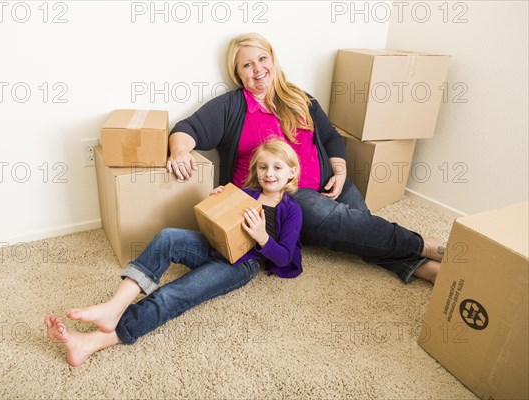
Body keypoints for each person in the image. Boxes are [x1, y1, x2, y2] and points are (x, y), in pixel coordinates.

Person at [167, 32, 444, 285]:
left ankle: (421, 268)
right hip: (283, 196)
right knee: (344, 223)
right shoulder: (230, 107)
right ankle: (424, 246)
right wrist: (179, 151)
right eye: (247, 65)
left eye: (262, 58)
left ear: (273, 60)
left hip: (327, 182)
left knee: (360, 227)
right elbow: (186, 130)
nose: (258, 69)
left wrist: (340, 172)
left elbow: (331, 138)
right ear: (238, 74)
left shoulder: (300, 98)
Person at [45, 140, 303, 367]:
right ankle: (114, 306)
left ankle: (93, 341)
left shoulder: (292, 210)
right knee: (168, 236)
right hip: (215, 246)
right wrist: (218, 201)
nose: (269, 174)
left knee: (175, 293)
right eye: (263, 167)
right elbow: (222, 222)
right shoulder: (246, 194)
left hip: (241, 264)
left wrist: (262, 236)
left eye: (277, 168)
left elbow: (284, 257)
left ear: (292, 171)